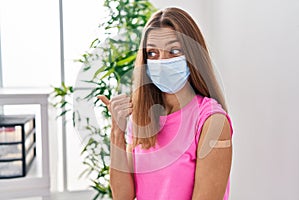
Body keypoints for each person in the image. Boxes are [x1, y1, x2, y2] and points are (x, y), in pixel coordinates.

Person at [98, 7, 233, 200]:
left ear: (192, 55)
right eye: (152, 53)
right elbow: (122, 196)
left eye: (174, 51)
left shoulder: (212, 121)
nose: (162, 61)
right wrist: (117, 132)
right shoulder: (142, 116)